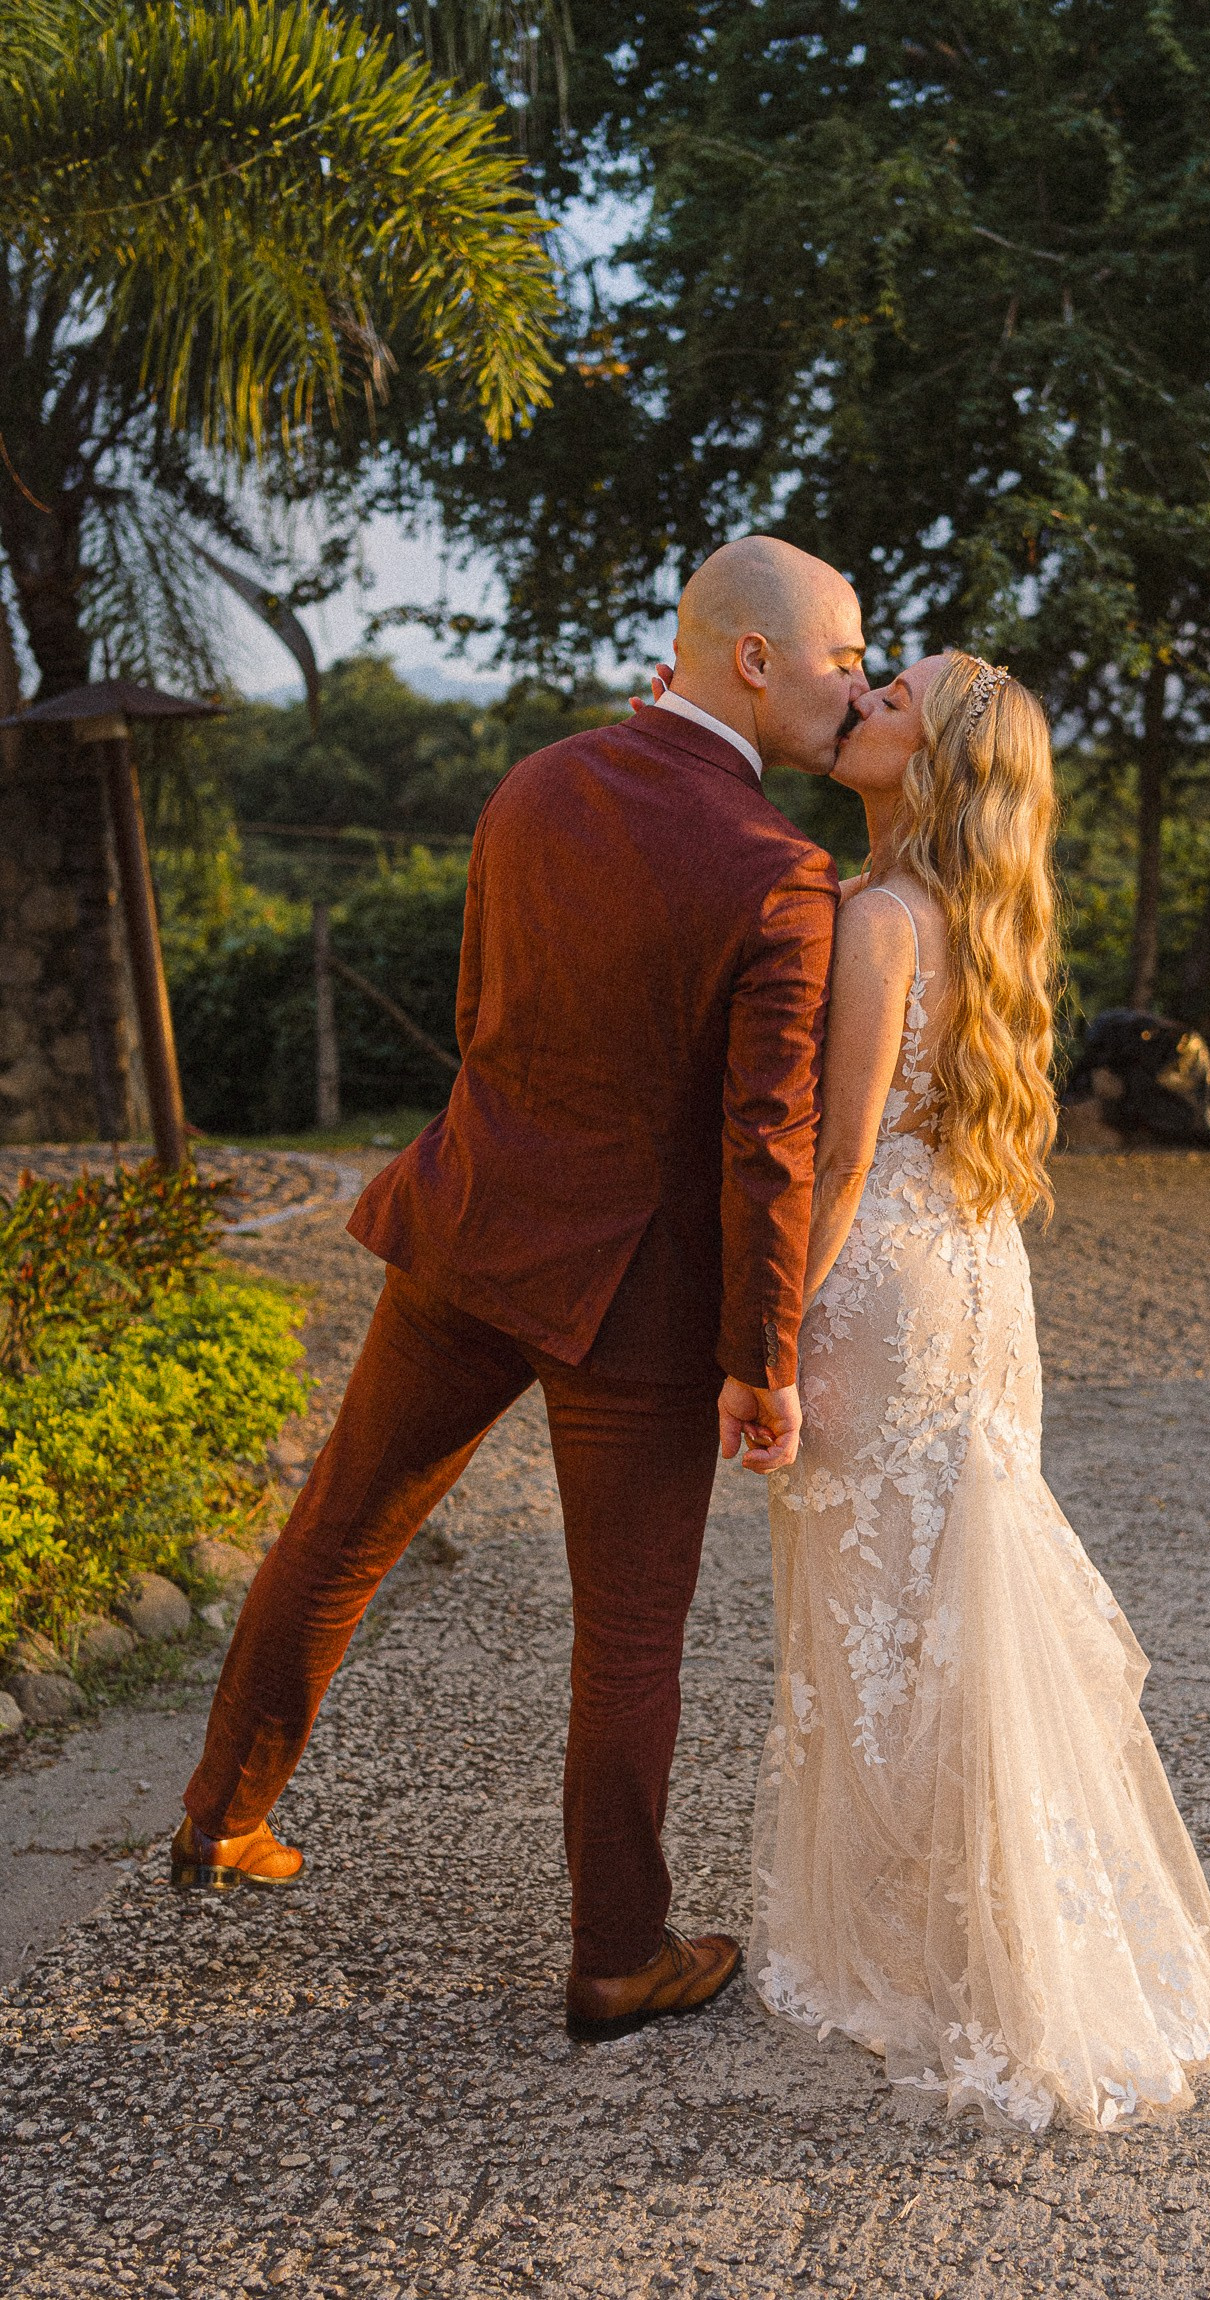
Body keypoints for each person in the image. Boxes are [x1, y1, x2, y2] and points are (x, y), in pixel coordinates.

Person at [171, 535, 868, 2047]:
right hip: (632, 1305)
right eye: (842, 657)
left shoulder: (537, 783)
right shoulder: (781, 877)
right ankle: (618, 1954)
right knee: (626, 1631)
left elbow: (489, 1015)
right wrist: (765, 1353)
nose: (856, 685)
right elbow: (770, 1147)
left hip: (469, 1233)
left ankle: (222, 1819)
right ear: (752, 659)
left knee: (338, 1529)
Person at [750, 651, 1210, 2132]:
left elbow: (836, 1158)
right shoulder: (985, 920)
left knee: (882, 1613)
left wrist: (765, 1340)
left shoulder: (878, 918)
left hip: (883, 1282)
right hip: (974, 1276)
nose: (863, 705)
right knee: (954, 1602)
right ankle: (994, 1937)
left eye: (890, 697)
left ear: (938, 763)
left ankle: (945, 1957)